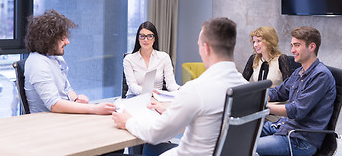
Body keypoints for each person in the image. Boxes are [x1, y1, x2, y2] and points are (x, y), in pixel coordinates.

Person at [113, 17, 248, 156]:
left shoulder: (196, 89)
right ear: (233, 47)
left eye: (199, 44)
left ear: (206, 48)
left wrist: (127, 121)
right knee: (150, 149)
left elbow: (155, 134)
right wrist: (171, 108)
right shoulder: (247, 87)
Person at [256, 26, 336, 156]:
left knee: (246, 147)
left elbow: (296, 110)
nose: (292, 50)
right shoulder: (300, 72)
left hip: (300, 140)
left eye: (297, 45)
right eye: (292, 45)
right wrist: (255, 97)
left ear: (311, 47)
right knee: (238, 133)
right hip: (283, 127)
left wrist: (262, 105)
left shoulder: (321, 76)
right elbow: (277, 92)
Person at [24, 9, 115, 115]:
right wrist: (94, 109)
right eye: (63, 38)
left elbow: (67, 89)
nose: (67, 42)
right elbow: (54, 104)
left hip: (62, 117)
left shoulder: (54, 58)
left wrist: (77, 100)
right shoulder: (38, 63)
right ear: (48, 39)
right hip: (46, 122)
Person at [123, 21, 180, 97]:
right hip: (134, 97)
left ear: (154, 39)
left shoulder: (164, 57)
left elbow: (171, 85)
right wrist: (148, 92)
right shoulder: (129, 59)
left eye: (150, 36)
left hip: (157, 98)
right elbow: (132, 86)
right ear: (138, 38)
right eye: (142, 36)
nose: (146, 40)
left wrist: (180, 89)